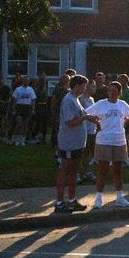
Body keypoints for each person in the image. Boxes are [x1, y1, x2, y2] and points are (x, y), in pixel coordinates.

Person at [85, 81, 129, 209]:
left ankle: (119, 197)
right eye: (110, 90)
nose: (111, 92)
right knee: (102, 169)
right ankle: (98, 198)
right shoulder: (101, 104)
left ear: (119, 93)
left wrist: (124, 122)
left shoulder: (122, 105)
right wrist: (96, 122)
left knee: (117, 170)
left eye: (114, 90)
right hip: (104, 140)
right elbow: (86, 113)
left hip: (119, 140)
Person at [55, 75, 96, 213]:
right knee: (65, 170)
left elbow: (83, 115)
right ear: (77, 86)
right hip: (69, 142)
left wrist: (92, 117)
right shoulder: (68, 100)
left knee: (74, 171)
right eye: (83, 86)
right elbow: (69, 122)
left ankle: (72, 200)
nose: (85, 89)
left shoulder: (76, 100)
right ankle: (60, 202)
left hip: (77, 143)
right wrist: (86, 117)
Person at [10, 76, 36, 146]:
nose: (27, 82)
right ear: (23, 81)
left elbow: (33, 100)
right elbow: (15, 99)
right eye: (25, 80)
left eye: (28, 80)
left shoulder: (30, 89)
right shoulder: (18, 89)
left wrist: (33, 109)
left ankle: (23, 139)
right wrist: (14, 109)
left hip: (27, 107)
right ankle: (18, 138)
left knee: (25, 124)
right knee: (19, 123)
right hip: (20, 107)